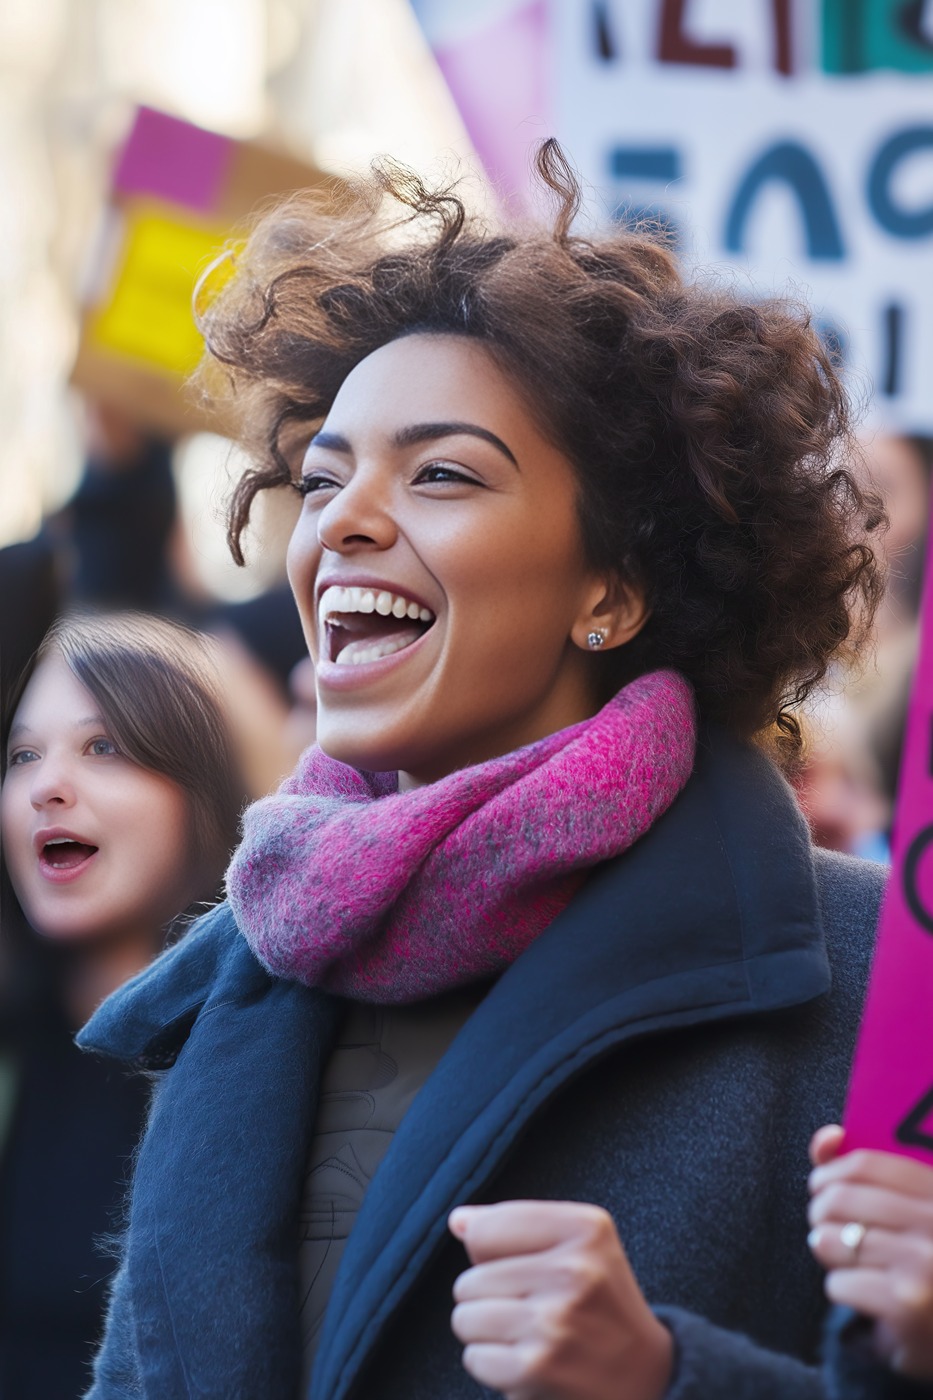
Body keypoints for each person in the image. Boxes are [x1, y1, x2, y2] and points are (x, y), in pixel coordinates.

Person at [76, 143, 933, 1399]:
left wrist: (664, 1376)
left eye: (440, 473)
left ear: (614, 587)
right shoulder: (244, 968)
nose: (345, 521)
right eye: (322, 478)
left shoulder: (874, 981)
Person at [0, 611, 243, 1400]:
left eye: (103, 747)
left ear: (203, 794)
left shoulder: (272, 1065)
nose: (47, 786)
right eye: (22, 755)